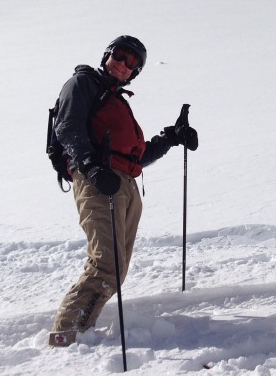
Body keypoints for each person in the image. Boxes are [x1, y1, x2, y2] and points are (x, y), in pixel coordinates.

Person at [48, 35, 198, 347]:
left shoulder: (116, 102)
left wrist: (172, 137)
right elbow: (67, 128)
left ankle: (79, 331)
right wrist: (91, 167)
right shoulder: (83, 84)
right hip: (98, 182)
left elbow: (136, 156)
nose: (123, 64)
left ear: (135, 73)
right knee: (107, 263)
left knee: (116, 268)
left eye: (132, 63)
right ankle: (66, 334)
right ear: (107, 55)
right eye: (119, 56)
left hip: (124, 186)